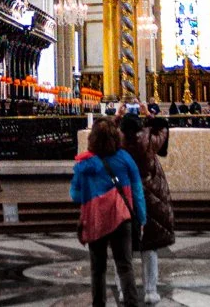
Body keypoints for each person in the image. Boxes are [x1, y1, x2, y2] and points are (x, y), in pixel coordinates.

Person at [70, 118, 145, 307]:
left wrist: (93, 189)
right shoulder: (125, 158)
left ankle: (99, 304)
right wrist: (141, 217)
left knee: (98, 268)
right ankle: (131, 303)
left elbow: (75, 195)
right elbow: (137, 191)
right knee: (125, 266)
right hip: (121, 217)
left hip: (96, 219)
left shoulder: (84, 164)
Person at [123, 115, 174, 306]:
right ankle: (150, 291)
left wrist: (117, 116)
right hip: (150, 198)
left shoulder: (117, 141)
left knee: (123, 248)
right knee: (150, 246)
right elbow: (163, 129)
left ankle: (123, 289)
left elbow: (105, 131)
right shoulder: (149, 140)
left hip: (124, 195)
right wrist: (150, 115)